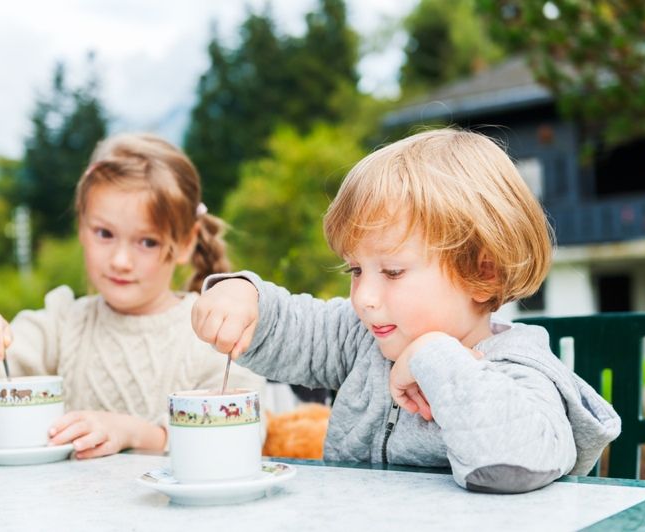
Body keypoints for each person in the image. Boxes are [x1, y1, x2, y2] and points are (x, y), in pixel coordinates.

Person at [191, 128, 621, 493]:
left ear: (482, 274)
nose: (364, 297)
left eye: (393, 271)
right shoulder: (365, 338)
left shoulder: (522, 370)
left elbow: (515, 463)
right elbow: (292, 329)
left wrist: (434, 354)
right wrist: (242, 296)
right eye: (357, 269)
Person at [0, 133, 264, 458]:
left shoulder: (214, 333)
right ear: (81, 226)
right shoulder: (60, 324)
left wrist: (134, 433)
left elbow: (247, 432)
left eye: (147, 241)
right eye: (104, 233)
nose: (121, 261)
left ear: (186, 241)